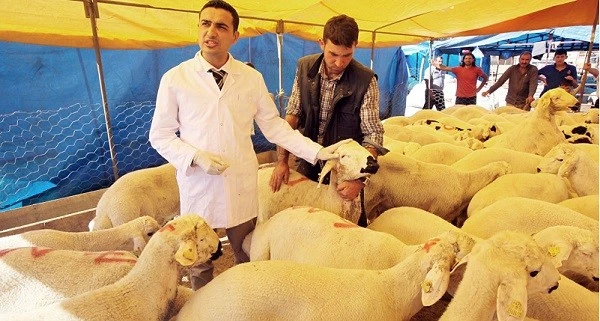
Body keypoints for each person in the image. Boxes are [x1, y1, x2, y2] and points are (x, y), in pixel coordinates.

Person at [149, 0, 347, 290]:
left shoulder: (250, 78)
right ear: (198, 29)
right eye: (205, 24)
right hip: (199, 184)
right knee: (198, 258)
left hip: (239, 184)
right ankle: (203, 306)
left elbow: (275, 127)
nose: (211, 32)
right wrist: (195, 157)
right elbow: (160, 135)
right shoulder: (175, 79)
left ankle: (246, 300)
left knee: (246, 251)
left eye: (221, 26)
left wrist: (317, 152)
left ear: (234, 36)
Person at [268, 14, 385, 217]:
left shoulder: (365, 80)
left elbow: (373, 136)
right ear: (321, 43)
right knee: (304, 218)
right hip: (308, 161)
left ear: (355, 46)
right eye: (333, 54)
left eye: (347, 55)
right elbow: (292, 116)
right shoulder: (305, 68)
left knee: (342, 226)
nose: (339, 63)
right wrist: (282, 161)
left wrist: (359, 180)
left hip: (344, 170)